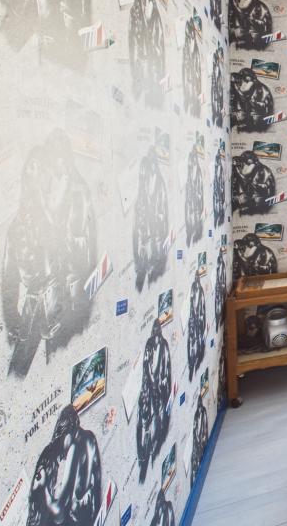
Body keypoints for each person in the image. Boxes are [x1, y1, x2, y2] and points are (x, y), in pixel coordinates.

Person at [2, 132, 96, 376]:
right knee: (21, 370)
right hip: (38, 309)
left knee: (56, 360)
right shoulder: (19, 225)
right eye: (32, 170)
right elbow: (9, 276)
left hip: (59, 306)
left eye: (43, 169)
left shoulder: (68, 202)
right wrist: (12, 319)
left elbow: (79, 254)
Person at [27, 405, 102, 526]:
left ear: (66, 432)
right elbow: (97, 489)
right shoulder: (90, 437)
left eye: (61, 442)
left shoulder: (74, 446)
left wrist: (43, 487)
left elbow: (59, 512)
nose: (62, 454)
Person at [136, 320, 171, 482]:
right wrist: (151, 383)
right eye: (154, 332)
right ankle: (144, 452)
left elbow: (167, 366)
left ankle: (154, 443)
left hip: (160, 386)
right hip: (149, 386)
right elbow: (146, 366)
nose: (156, 335)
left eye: (157, 332)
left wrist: (163, 383)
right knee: (144, 415)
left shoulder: (164, 345)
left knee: (158, 413)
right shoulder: (150, 345)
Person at [129, 0, 166, 106]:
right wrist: (136, 74)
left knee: (151, 103)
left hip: (152, 71)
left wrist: (158, 74)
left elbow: (160, 47)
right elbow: (133, 44)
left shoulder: (155, 16)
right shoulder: (135, 12)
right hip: (142, 70)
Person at [134, 147, 169, 291]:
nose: (153, 164)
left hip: (156, 221)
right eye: (151, 161)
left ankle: (152, 271)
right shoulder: (145, 177)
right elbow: (142, 197)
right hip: (146, 220)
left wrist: (160, 216)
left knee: (155, 246)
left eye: (154, 161)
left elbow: (163, 203)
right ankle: (145, 268)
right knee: (145, 243)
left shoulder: (159, 181)